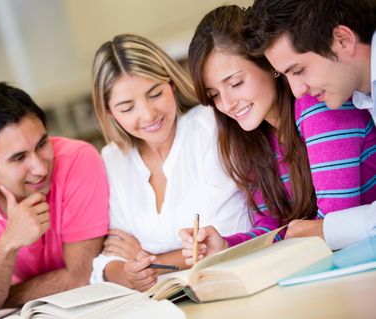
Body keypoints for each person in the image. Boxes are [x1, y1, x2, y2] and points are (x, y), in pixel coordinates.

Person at [179, 5, 376, 264]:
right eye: (214, 94)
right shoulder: (252, 139)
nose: (226, 104)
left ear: (270, 66)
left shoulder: (320, 105)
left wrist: (290, 236)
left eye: (236, 83)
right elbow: (274, 225)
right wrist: (228, 246)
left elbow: (331, 225)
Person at [89, 34, 251, 291]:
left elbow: (230, 235)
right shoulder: (113, 158)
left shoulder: (210, 126)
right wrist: (130, 273)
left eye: (154, 94)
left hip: (231, 285)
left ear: (172, 84)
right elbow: (110, 257)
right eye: (127, 107)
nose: (148, 114)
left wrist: (145, 259)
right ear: (110, 112)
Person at [0, 82, 109, 318]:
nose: (40, 167)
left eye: (42, 144)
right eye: (19, 158)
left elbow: (79, 277)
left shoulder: (77, 160)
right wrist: (9, 243)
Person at [243, 0, 376, 249]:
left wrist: (329, 230)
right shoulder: (363, 96)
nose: (296, 90)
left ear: (343, 40)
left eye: (298, 70)